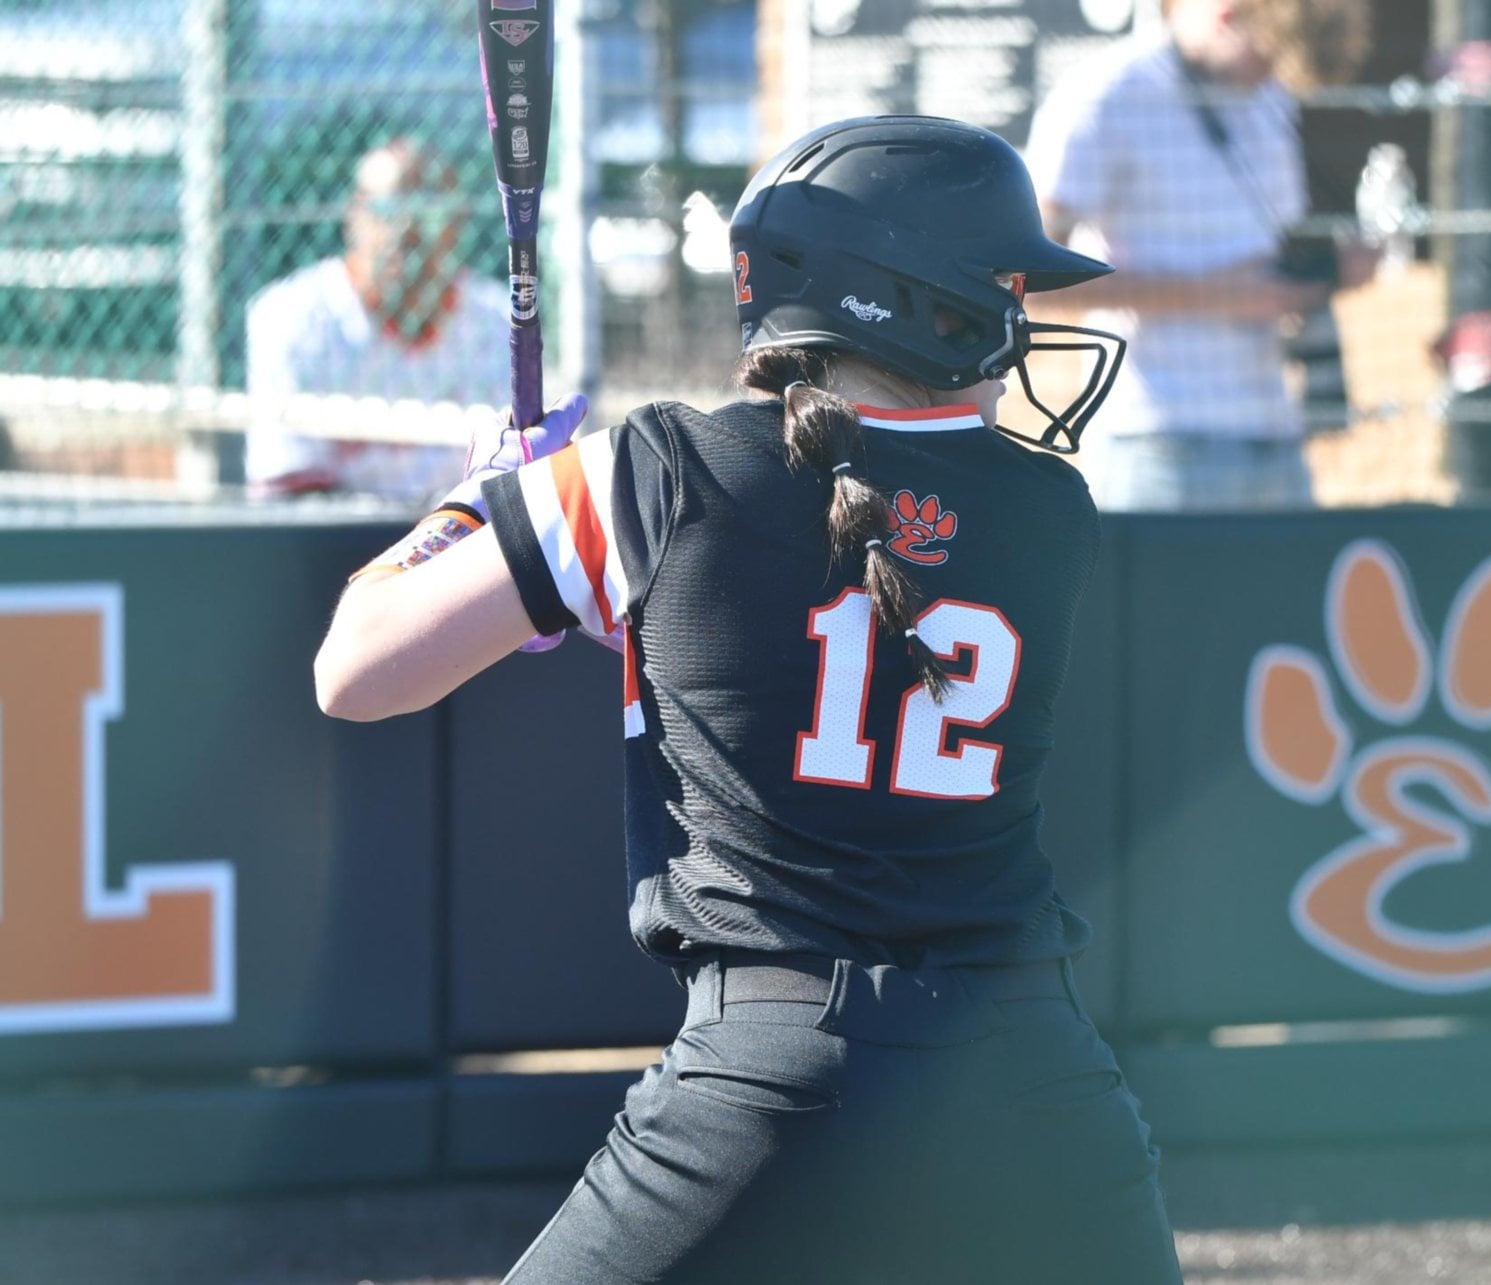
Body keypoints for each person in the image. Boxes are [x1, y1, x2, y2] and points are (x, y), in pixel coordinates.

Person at [312, 115, 1180, 1283]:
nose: (1018, 329)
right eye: (1002, 293)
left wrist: (479, 505)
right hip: (1040, 1081)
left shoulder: (655, 467)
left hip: (777, 1078)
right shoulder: (1052, 514)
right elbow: (810, 602)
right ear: (913, 301)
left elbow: (354, 671)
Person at [1023, 0, 1370, 512]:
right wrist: (1219, 294)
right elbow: (1026, 277)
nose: (1274, 76)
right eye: (1269, 57)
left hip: (1276, 432)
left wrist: (1329, 270)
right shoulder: (1106, 95)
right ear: (1229, 16)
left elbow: (1271, 253)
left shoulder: (1269, 95)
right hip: (1160, 444)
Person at [246, 138, 510, 500]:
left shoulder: (499, 324)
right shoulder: (293, 317)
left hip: (462, 542)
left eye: (428, 212)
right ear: (354, 217)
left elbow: (510, 488)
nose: (406, 230)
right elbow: (289, 494)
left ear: (458, 225)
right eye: (388, 208)